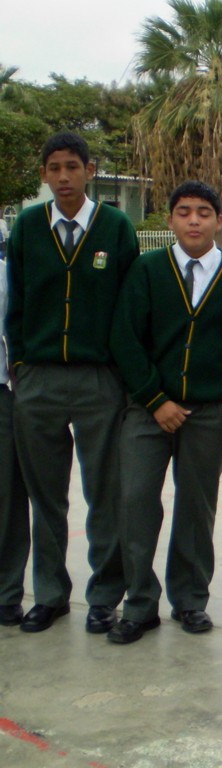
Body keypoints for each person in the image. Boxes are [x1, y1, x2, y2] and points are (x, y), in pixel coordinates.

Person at [106, 181, 222, 644]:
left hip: (210, 414)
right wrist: (155, 400)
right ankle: (139, 603)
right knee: (135, 502)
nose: (194, 220)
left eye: (204, 212)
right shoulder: (148, 270)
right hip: (148, 411)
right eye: (184, 211)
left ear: (218, 221)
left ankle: (190, 599)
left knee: (196, 507)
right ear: (171, 219)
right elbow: (125, 338)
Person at [6, 131, 139, 634]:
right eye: (54, 168)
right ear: (44, 173)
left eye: (72, 167)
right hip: (38, 380)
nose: (63, 177)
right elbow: (17, 303)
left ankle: (105, 595)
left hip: (98, 380)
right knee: (45, 496)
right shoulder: (28, 226)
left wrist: (120, 375)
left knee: (105, 492)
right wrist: (21, 364)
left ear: (89, 170)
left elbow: (128, 308)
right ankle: (50, 594)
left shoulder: (115, 227)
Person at [0, 251, 29, 626]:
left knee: (7, 496)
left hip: (2, 392)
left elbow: (17, 326)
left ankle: (6, 591)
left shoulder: (6, 273)